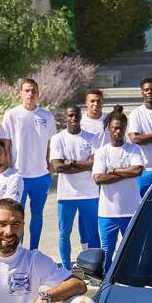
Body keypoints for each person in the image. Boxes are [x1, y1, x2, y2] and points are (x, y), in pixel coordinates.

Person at [0, 78, 56, 250]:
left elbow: (51, 144)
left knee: (37, 215)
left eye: (33, 91)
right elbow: (5, 145)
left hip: (41, 177)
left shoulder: (47, 116)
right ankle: (18, 250)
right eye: (27, 91)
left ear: (38, 93)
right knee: (15, 217)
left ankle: (34, 250)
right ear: (20, 93)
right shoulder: (11, 115)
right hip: (18, 176)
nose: (30, 94)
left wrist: (50, 167)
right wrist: (8, 172)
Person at [93, 106, 146, 271]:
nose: (118, 131)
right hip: (107, 213)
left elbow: (138, 170)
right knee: (106, 252)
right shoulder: (102, 152)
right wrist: (126, 173)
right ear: (109, 128)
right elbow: (99, 178)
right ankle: (107, 281)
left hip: (130, 210)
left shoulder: (133, 149)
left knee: (132, 250)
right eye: (115, 128)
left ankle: (131, 279)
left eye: (121, 128)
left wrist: (113, 171)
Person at [50, 105, 101, 269]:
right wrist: (83, 165)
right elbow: (57, 167)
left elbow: (94, 164)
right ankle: (66, 269)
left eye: (76, 115)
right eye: (70, 115)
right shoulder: (58, 138)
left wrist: (70, 162)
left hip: (89, 194)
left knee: (93, 234)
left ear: (81, 117)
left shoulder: (92, 138)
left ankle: (94, 269)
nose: (74, 118)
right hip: (66, 195)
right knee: (64, 234)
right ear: (65, 117)